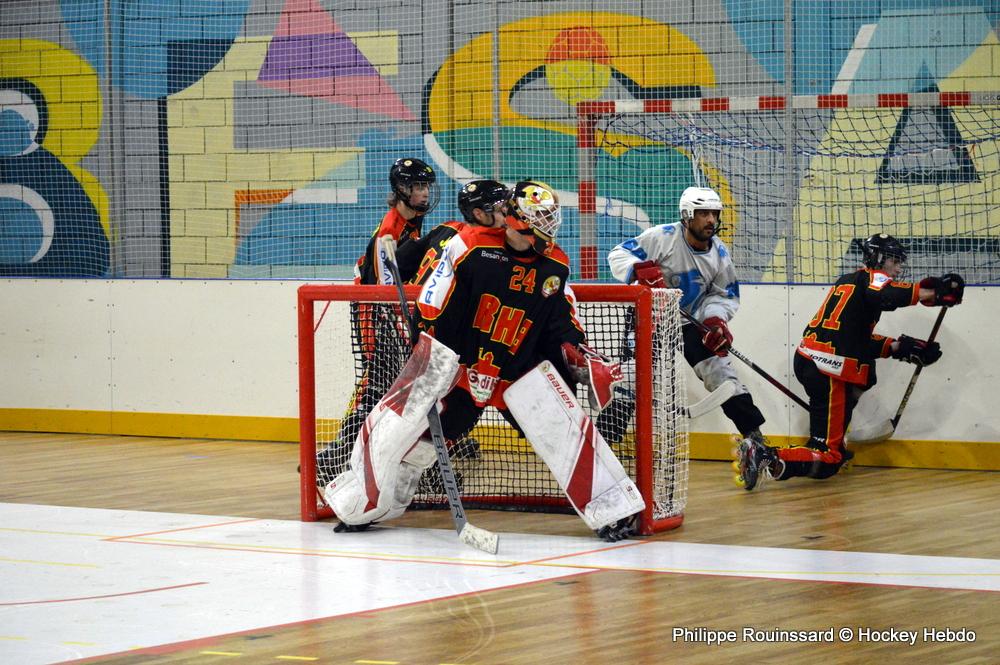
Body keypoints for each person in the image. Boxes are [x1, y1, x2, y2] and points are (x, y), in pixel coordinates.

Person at [325, 181, 637, 541]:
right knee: (400, 431)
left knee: (566, 429)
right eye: (542, 220)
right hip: (456, 364)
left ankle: (615, 511)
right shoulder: (470, 246)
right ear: (516, 219)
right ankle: (363, 505)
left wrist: (580, 356)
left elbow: (563, 324)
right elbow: (432, 305)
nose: (550, 230)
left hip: (515, 367)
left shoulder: (555, 265)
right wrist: (435, 364)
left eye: (552, 219)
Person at [736, 233, 965, 490]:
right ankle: (766, 455)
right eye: (894, 260)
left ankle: (811, 449)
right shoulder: (874, 280)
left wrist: (900, 348)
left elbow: (855, 339)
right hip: (828, 369)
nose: (899, 267)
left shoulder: (848, 281)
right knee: (829, 458)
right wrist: (930, 292)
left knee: (862, 381)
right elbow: (885, 295)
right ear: (878, 259)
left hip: (810, 360)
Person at [607, 186, 769, 449]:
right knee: (630, 378)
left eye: (714, 214)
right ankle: (605, 444)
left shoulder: (720, 254)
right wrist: (638, 270)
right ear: (687, 215)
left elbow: (721, 295)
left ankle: (755, 440)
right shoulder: (662, 237)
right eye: (703, 213)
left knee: (721, 373)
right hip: (650, 317)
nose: (710, 220)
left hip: (690, 320)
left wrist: (715, 322)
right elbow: (618, 254)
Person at [315, 158, 439, 484]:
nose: (424, 193)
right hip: (374, 309)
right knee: (379, 379)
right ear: (401, 190)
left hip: (389, 308)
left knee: (398, 381)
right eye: (417, 187)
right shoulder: (391, 229)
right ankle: (339, 452)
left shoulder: (411, 222)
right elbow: (385, 287)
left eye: (426, 186)